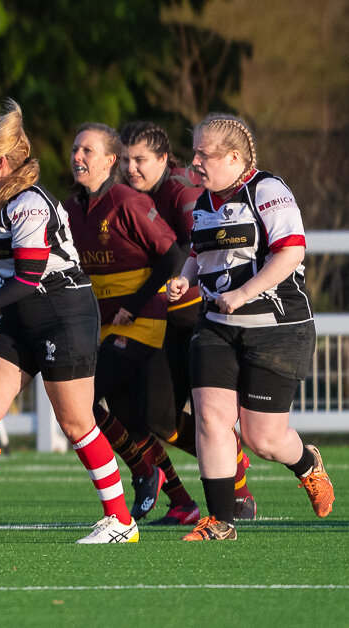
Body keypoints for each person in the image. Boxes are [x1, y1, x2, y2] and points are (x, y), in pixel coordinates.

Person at [0, 101, 139, 545]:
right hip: (24, 314)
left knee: (76, 423)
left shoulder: (30, 203)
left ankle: (121, 521)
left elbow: (31, 276)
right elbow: (10, 275)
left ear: (0, 163)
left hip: (63, 314)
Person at [166, 113, 334, 541]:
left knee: (263, 438)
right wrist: (186, 276)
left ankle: (306, 464)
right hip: (217, 326)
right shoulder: (204, 201)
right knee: (211, 419)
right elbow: (200, 251)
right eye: (195, 152)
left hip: (276, 329)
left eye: (204, 154)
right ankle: (220, 520)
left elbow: (291, 254)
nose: (195, 161)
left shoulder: (268, 190)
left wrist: (243, 293)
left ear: (235, 157)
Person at [119, 121, 255, 525]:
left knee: (204, 414)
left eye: (140, 160)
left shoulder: (181, 191)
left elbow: (184, 250)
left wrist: (139, 296)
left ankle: (234, 484)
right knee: (158, 417)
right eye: (125, 160)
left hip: (195, 316)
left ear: (163, 159)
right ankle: (227, 464)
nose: (131, 168)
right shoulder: (131, 196)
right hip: (162, 319)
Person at [62, 123, 192, 525]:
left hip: (142, 322)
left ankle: (142, 471)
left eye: (88, 150)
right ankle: (183, 502)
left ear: (109, 160)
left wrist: (135, 305)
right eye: (75, 149)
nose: (78, 157)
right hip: (103, 326)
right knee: (132, 420)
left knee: (81, 399)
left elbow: (173, 257)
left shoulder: (128, 201)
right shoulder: (68, 209)